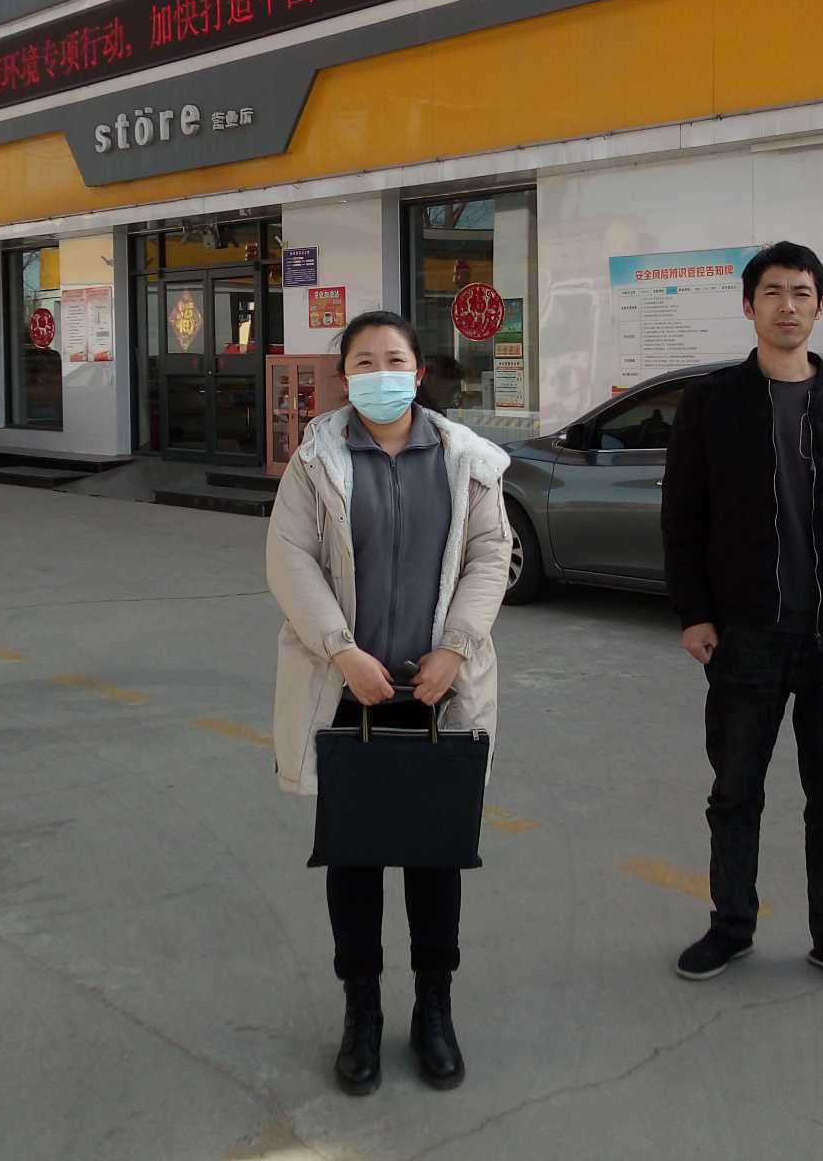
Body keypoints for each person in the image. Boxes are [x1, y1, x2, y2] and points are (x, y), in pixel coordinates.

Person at [266, 310, 512, 1095]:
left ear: (419, 371)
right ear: (344, 377)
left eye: (394, 359)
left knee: (437, 856)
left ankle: (434, 1010)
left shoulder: (466, 459)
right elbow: (290, 559)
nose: (381, 373)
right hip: (348, 689)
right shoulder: (317, 460)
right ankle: (363, 1012)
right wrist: (342, 650)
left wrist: (455, 648)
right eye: (365, 361)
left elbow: (490, 554)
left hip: (438, 690)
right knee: (355, 856)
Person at [659, 242, 823, 998]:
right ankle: (731, 925)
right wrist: (694, 612)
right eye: (772, 292)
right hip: (746, 635)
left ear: (820, 307)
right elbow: (683, 516)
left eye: (801, 292)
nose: (787, 305)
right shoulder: (711, 402)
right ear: (749, 306)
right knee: (735, 791)